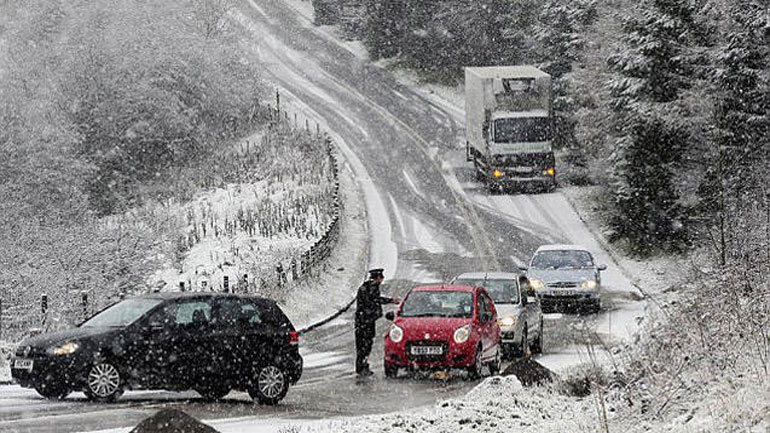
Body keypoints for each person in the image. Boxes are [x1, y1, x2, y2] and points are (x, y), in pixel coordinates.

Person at [355, 268, 398, 376]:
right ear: (377, 278)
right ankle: (361, 367)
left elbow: (375, 299)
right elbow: (374, 300)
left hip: (366, 321)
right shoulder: (369, 288)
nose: (382, 280)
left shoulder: (369, 287)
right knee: (364, 345)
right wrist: (389, 301)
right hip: (365, 322)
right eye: (381, 278)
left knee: (365, 344)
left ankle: (363, 365)